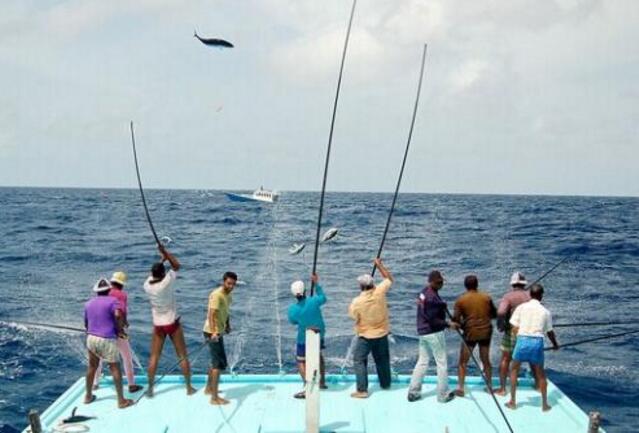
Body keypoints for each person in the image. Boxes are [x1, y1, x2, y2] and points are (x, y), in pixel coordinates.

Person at [144, 245, 196, 398]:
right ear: (163, 274)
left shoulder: (147, 285)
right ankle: (188, 388)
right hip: (172, 324)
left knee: (154, 357)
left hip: (158, 325)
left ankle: (150, 390)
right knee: (182, 356)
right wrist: (166, 252)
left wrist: (162, 259)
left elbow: (157, 272)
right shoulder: (166, 283)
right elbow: (177, 266)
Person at [506, 283, 559, 412]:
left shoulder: (521, 307)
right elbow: (550, 332)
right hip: (537, 342)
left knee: (514, 369)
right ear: (541, 296)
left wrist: (518, 335)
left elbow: (513, 326)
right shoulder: (546, 311)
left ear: (530, 295)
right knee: (541, 374)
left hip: (522, 340)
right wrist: (555, 345)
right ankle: (545, 405)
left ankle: (513, 401)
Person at [83, 278, 134, 409]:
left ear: (96, 291)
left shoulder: (88, 304)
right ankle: (121, 401)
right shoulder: (113, 301)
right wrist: (120, 329)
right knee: (115, 368)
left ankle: (88, 396)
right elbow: (118, 315)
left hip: (91, 338)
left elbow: (86, 324)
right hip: (107, 339)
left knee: (92, 367)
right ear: (108, 290)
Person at [407, 270, 456, 403]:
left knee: (422, 361)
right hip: (433, 333)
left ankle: (413, 392)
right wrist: (448, 324)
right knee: (442, 363)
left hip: (423, 332)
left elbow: (428, 307)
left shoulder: (424, 293)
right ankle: (442, 395)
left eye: (441, 282)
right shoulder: (432, 298)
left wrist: (441, 304)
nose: (441, 285)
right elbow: (432, 319)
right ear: (432, 282)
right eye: (439, 282)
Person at [348, 258, 393, 399]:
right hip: (382, 334)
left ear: (361, 287)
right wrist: (379, 265)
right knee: (382, 359)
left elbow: (353, 316)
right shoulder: (380, 292)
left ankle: (362, 390)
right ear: (373, 284)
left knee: (359, 360)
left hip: (365, 336)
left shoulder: (357, 302)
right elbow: (389, 279)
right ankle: (385, 384)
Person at [93, 271, 143, 393]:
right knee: (126, 358)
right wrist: (124, 326)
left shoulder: (101, 294)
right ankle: (131, 385)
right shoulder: (122, 295)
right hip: (117, 332)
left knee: (98, 359)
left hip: (101, 331)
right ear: (122, 284)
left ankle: (95, 384)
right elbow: (120, 312)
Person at [453, 275, 497, 396]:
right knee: (486, 360)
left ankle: (461, 389)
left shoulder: (460, 300)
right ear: (477, 284)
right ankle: (489, 387)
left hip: (470, 334)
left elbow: (456, 321)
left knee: (463, 362)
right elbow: (494, 315)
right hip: (486, 332)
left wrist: (460, 324)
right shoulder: (487, 297)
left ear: (465, 286)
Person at [287, 273, 327, 399]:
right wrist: (316, 284)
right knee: (318, 355)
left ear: (294, 294)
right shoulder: (314, 300)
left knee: (301, 361)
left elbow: (293, 321)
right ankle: (321, 382)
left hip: (303, 339)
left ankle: (308, 385)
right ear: (304, 291)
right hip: (318, 335)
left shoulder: (292, 309)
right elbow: (323, 298)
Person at [203, 271, 237, 405]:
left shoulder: (228, 296)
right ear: (224, 282)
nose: (231, 286)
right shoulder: (217, 295)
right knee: (217, 365)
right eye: (229, 283)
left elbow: (226, 312)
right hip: (211, 332)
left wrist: (227, 325)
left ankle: (209, 389)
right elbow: (211, 315)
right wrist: (213, 333)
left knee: (217, 362)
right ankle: (214, 398)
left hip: (219, 331)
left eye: (233, 284)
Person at [495, 272, 532, 396]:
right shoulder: (531, 296)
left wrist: (501, 326)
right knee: (529, 360)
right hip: (529, 332)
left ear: (512, 284)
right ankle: (537, 385)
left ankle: (503, 389)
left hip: (512, 331)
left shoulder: (508, 297)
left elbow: (500, 313)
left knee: (506, 359)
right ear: (524, 284)